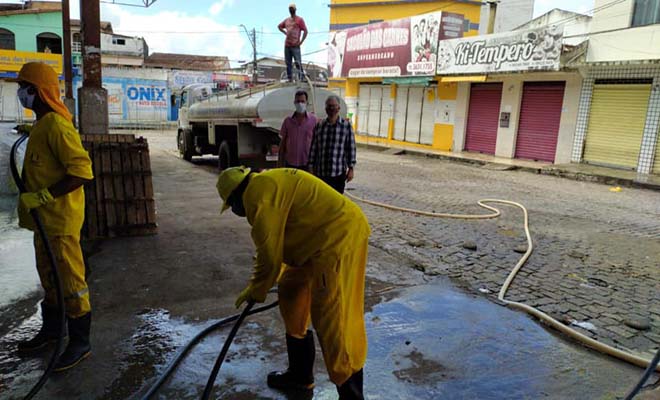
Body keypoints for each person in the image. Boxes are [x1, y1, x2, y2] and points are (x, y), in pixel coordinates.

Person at [217, 166, 370, 400]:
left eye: (231, 206)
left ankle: (351, 395)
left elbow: (269, 256)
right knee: (291, 288)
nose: (236, 211)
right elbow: (275, 247)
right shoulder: (264, 184)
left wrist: (256, 290)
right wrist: (261, 284)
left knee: (333, 317)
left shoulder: (258, 196)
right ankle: (300, 376)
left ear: (235, 198)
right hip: (316, 242)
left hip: (337, 239)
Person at [11, 62, 94, 372]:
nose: (20, 93)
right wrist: (32, 130)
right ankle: (51, 331)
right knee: (49, 277)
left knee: (71, 283)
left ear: (39, 92)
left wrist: (45, 196)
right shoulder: (45, 123)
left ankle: (80, 341)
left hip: (59, 222)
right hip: (43, 223)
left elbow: (82, 172)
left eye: (24, 88)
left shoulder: (57, 126)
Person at [308, 95, 356, 194]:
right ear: (325, 109)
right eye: (329, 106)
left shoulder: (346, 126)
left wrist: (351, 169)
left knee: (336, 203)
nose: (332, 109)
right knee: (322, 201)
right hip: (321, 173)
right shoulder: (319, 126)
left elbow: (350, 148)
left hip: (338, 173)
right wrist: (311, 167)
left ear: (339, 108)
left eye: (334, 106)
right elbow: (314, 148)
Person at [278, 90, 317, 170]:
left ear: (307, 103)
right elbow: (282, 144)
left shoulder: (314, 120)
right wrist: (279, 163)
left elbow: (317, 143)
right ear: (294, 102)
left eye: (302, 101)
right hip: (290, 164)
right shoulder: (287, 121)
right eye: (298, 101)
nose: (300, 104)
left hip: (307, 164)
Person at [278, 3, 307, 81]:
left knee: (298, 62)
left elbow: (305, 31)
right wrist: (285, 33)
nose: (291, 10)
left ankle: (302, 77)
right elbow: (279, 26)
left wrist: (301, 42)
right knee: (288, 63)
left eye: (292, 8)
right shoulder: (287, 20)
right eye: (290, 9)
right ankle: (290, 78)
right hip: (287, 45)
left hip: (295, 45)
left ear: (295, 10)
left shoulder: (299, 20)